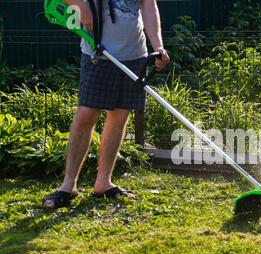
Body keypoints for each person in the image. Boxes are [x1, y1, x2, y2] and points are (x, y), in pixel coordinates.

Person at [43, 0, 170, 209]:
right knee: (86, 115)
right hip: (98, 53)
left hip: (134, 55)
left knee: (119, 117)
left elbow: (148, 6)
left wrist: (158, 46)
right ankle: (68, 185)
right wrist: (80, 6)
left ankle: (103, 182)